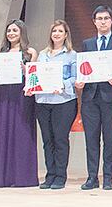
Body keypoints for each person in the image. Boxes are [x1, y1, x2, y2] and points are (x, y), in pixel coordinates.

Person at [75, 6, 112, 190]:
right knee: (91, 139)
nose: (103, 21)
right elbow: (84, 68)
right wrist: (80, 82)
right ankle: (91, 177)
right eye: (99, 18)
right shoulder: (87, 43)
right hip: (90, 97)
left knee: (109, 138)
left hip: (111, 97)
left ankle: (108, 177)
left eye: (106, 18)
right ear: (94, 21)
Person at [0, 19, 39, 188]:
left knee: (22, 133)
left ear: (21, 32)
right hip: (3, 94)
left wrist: (27, 70)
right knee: (2, 132)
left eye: (15, 30)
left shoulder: (30, 52)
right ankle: (2, 177)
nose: (11, 33)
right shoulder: (1, 53)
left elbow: (35, 76)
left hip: (22, 95)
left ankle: (22, 177)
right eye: (9, 30)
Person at [33, 20, 78, 190]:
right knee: (47, 140)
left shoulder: (72, 55)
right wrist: (31, 86)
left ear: (66, 34)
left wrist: (62, 85)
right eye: (54, 31)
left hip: (63, 101)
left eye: (60, 31)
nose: (57, 34)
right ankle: (50, 175)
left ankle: (60, 176)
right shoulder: (42, 54)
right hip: (43, 101)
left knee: (60, 139)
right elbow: (35, 75)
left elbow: (75, 78)